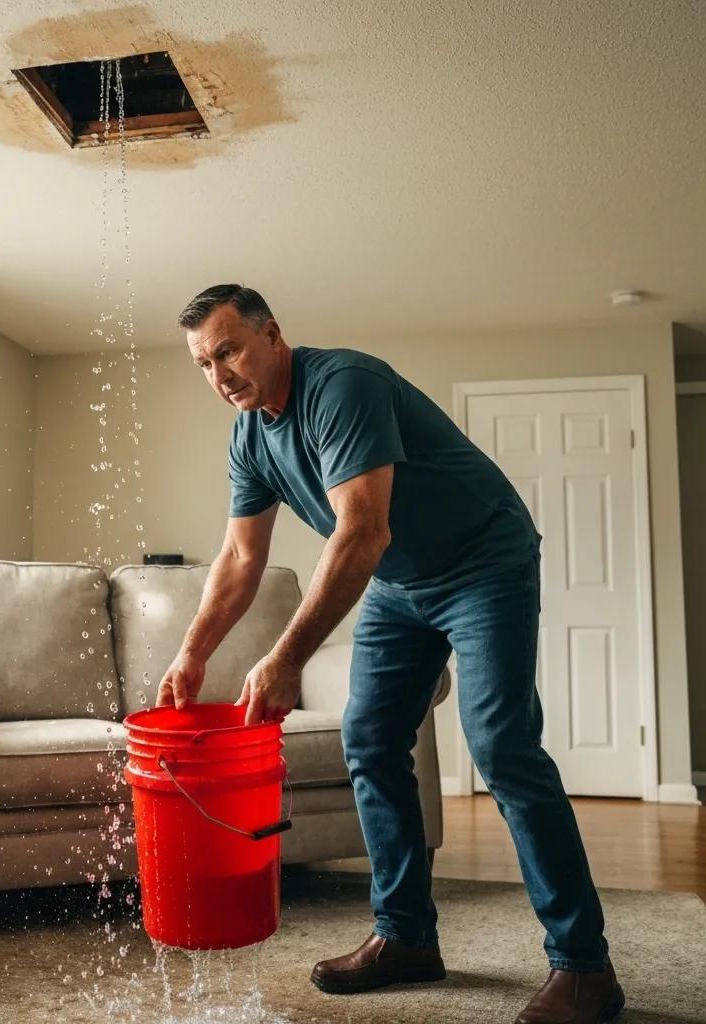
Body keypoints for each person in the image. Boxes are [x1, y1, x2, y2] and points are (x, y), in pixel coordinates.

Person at [156, 284, 624, 1024]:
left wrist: (286, 657)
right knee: (370, 739)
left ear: (271, 335)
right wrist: (193, 654)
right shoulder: (251, 438)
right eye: (204, 364)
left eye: (229, 351)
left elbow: (362, 530)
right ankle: (406, 937)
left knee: (502, 747)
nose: (220, 375)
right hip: (401, 582)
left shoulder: (343, 385)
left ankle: (584, 967)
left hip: (482, 561)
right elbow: (241, 558)